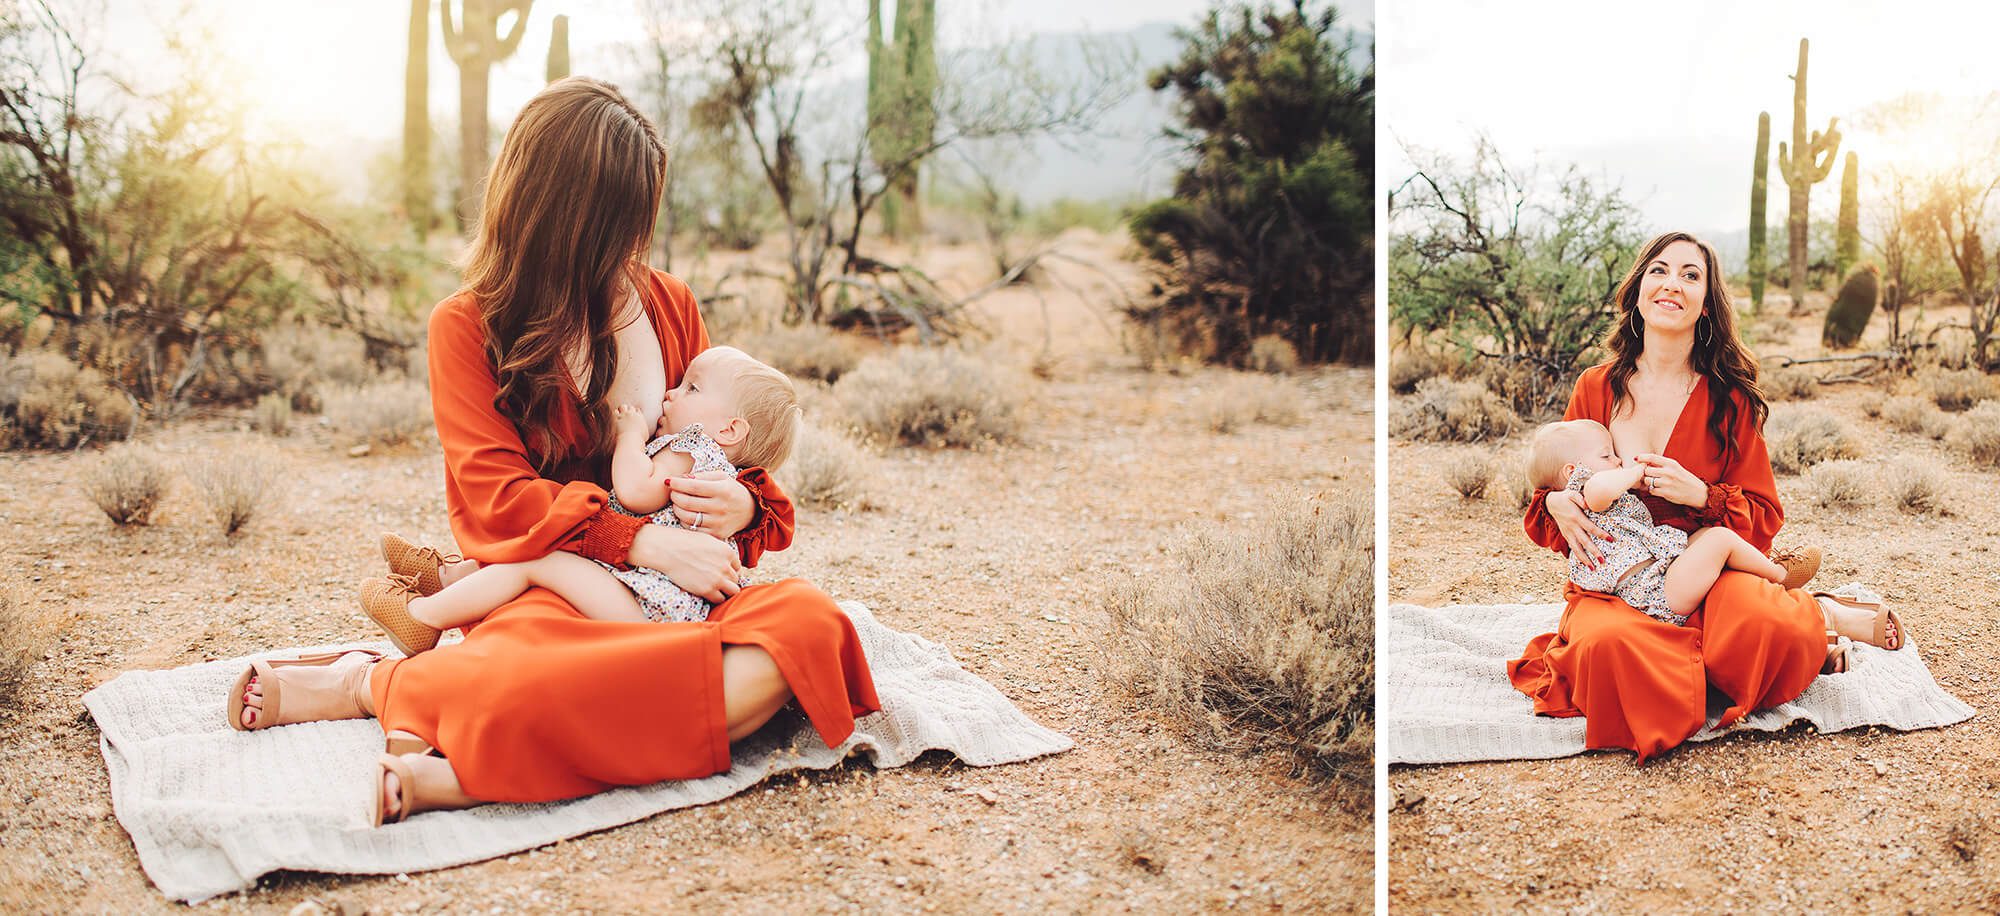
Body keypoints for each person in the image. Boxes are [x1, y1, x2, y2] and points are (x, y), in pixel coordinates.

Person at [222, 77, 880, 825]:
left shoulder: (671, 304)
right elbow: (499, 501)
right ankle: (370, 685)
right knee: (538, 677)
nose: (634, 247)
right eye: (618, 224)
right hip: (557, 584)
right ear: (562, 216)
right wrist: (644, 544)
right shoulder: (467, 327)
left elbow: (725, 452)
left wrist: (744, 505)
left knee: (807, 626)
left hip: (673, 606)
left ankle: (465, 728)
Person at [1507, 230, 1906, 762]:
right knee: (1610, 650)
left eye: (1691, 275)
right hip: (1620, 588)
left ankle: (1814, 613)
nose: (1673, 283)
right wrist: (1558, 502)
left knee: (1770, 629)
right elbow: (1557, 476)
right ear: (1639, 289)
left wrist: (1702, 494)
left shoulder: (1730, 398)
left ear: (1706, 303)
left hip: (1705, 571)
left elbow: (1765, 515)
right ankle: (1756, 649)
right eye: (1660, 270)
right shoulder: (1595, 387)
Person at [360, 345, 803, 654]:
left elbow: (635, 492)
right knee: (553, 545)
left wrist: (631, 438)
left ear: (728, 430)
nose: (672, 392)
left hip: (648, 608)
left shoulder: (690, 448)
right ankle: (450, 575)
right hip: (659, 600)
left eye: (691, 389)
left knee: (538, 561)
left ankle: (423, 616)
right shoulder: (717, 464)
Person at [1525, 418, 1816, 629]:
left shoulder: (1583, 490)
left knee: (1705, 535)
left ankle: (1769, 577)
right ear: (1572, 471)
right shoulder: (1585, 489)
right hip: (1653, 594)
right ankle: (1778, 575)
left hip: (1654, 578)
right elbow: (1600, 492)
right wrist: (1634, 471)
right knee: (1719, 540)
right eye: (1606, 455)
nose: (1616, 460)